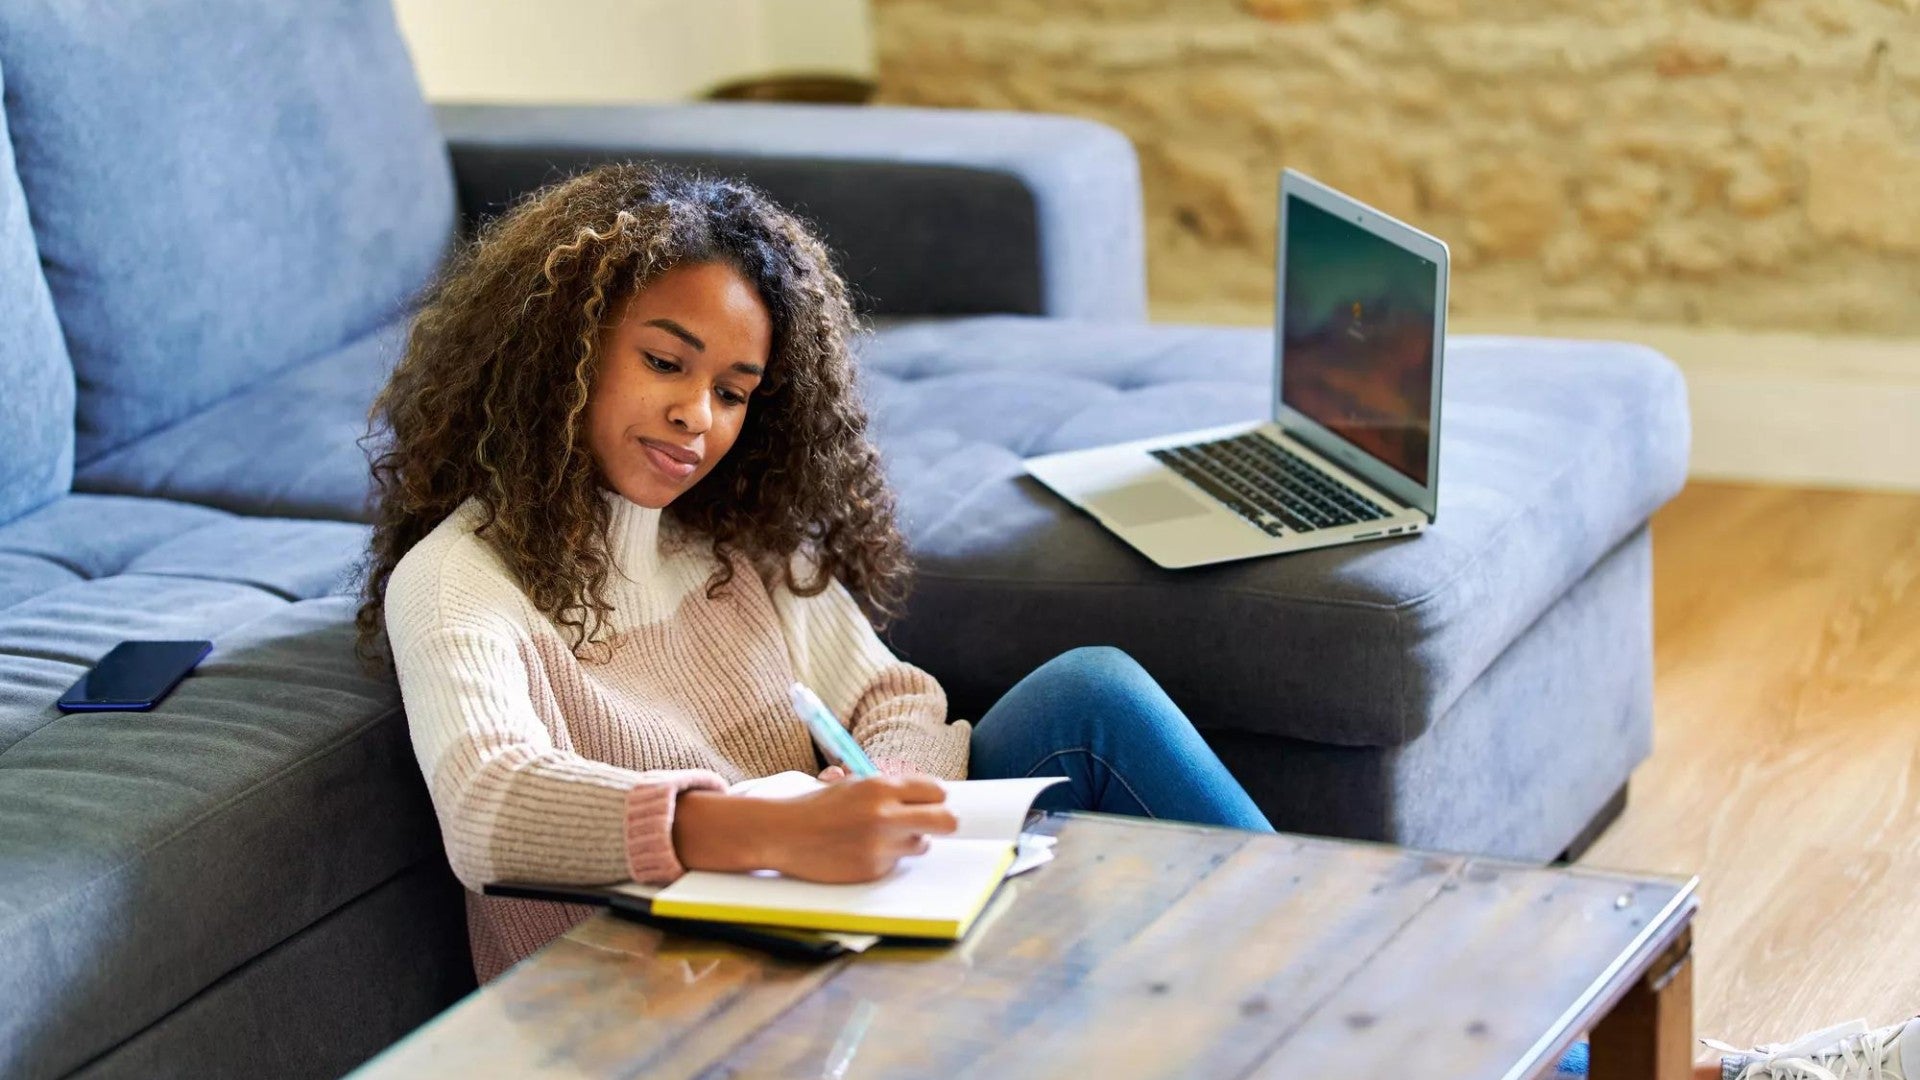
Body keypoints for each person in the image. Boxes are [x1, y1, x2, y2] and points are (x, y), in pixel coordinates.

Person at [354, 164, 1273, 981]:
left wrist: (883, 790)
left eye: (732, 392)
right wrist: (771, 832)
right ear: (560, 352)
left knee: (1092, 695)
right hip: (667, 983)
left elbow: (895, 697)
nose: (695, 417)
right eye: (665, 362)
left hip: (830, 917)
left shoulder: (737, 537)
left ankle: (1350, 967)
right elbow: (489, 806)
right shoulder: (458, 579)